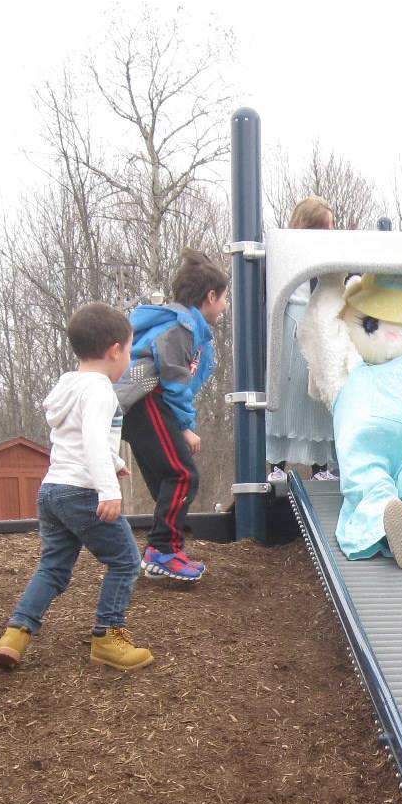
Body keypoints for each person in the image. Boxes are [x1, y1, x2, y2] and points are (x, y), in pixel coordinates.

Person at [0, 303, 153, 672]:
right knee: (125, 562)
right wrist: (108, 489)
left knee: (53, 568)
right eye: (128, 349)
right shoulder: (100, 390)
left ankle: (15, 635)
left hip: (53, 490)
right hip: (83, 491)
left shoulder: (69, 386)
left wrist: (116, 463)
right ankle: (109, 638)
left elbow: (79, 440)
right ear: (114, 350)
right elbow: (94, 439)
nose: (128, 357)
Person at [120, 248, 229, 583]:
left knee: (166, 479)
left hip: (149, 403)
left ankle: (169, 549)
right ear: (210, 296)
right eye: (224, 298)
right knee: (183, 474)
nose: (225, 306)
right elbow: (172, 377)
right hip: (147, 400)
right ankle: (161, 551)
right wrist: (185, 426)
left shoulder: (189, 328)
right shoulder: (180, 327)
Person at [268, 197, 339, 482]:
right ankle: (276, 464)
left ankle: (321, 467)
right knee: (284, 395)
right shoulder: (282, 254)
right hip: (289, 325)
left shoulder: (330, 257)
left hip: (318, 325)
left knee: (318, 397)